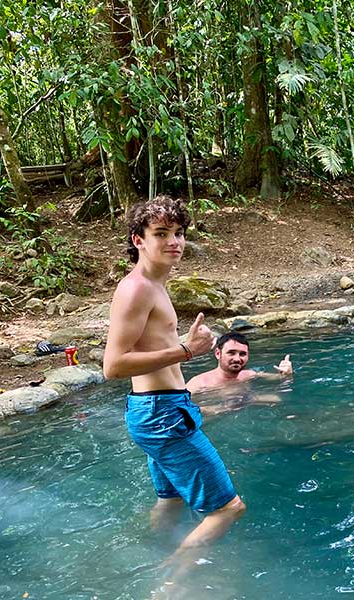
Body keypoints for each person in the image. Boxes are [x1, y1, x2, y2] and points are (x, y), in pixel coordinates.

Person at [102, 195, 245, 559]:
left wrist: (184, 343)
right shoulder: (135, 288)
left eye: (179, 233)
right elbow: (114, 366)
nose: (174, 242)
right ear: (139, 240)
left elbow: (147, 347)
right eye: (161, 233)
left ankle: (144, 559)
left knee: (171, 502)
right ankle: (170, 586)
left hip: (161, 409)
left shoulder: (155, 285)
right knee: (227, 509)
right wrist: (187, 351)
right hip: (161, 414)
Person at [186, 331, 293, 394]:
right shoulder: (199, 384)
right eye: (231, 353)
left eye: (242, 354)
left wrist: (287, 373)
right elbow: (177, 407)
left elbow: (280, 379)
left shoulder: (249, 375)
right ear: (218, 353)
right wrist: (214, 409)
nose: (237, 359)